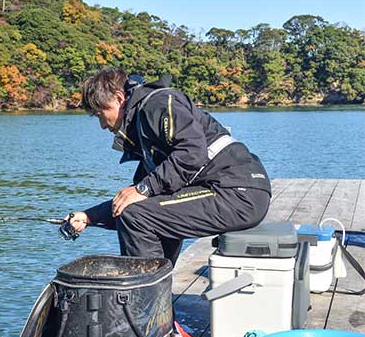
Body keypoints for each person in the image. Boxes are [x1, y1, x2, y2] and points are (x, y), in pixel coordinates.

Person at [65, 68, 272, 266]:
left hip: (238, 192)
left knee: (136, 216)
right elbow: (137, 197)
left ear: (119, 98)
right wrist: (89, 216)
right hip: (238, 192)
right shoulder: (143, 124)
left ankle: (145, 300)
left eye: (101, 113)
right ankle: (157, 295)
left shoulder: (157, 104)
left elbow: (192, 152)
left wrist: (143, 189)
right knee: (139, 211)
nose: (102, 124)